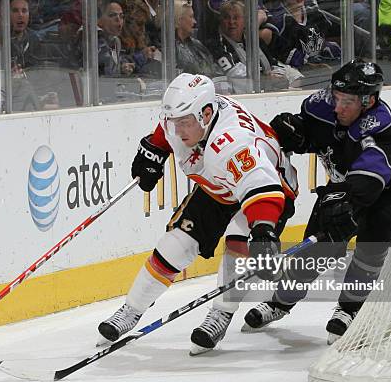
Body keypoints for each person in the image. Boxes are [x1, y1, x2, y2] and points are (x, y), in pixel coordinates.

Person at [96, 72, 298, 355]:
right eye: (174, 123)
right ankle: (131, 310)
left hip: (267, 191)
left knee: (239, 242)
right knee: (175, 244)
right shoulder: (187, 115)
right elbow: (167, 131)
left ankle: (221, 314)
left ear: (206, 114)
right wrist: (154, 149)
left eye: (184, 123)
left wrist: (263, 230)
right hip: (218, 185)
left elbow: (262, 188)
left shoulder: (233, 143)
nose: (178, 131)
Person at [243, 59, 391, 344]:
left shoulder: (383, 132)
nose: (338, 107)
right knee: (317, 250)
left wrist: (346, 205)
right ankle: (280, 302)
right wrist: (297, 131)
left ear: (368, 101)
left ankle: (350, 308)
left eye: (348, 102)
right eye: (337, 97)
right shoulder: (326, 105)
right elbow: (316, 135)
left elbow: (367, 181)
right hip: (347, 183)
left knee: (372, 239)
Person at [207, 0, 303, 91]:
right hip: (241, 96)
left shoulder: (254, 40)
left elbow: (273, 64)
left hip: (263, 88)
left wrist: (288, 76)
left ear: (245, 21)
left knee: (295, 76)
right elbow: (234, 74)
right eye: (226, 17)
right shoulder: (216, 44)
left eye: (236, 17)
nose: (231, 22)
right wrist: (266, 79)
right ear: (221, 21)